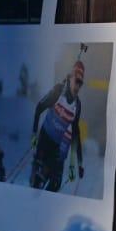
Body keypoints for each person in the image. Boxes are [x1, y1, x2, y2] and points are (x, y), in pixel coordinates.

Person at [30, 60, 85, 192]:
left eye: (81, 83)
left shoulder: (77, 105)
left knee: (55, 185)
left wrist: (77, 164)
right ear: (70, 78)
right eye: (76, 81)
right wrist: (34, 134)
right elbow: (39, 107)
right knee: (38, 181)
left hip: (56, 146)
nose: (78, 86)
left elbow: (75, 135)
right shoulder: (58, 91)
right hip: (44, 139)